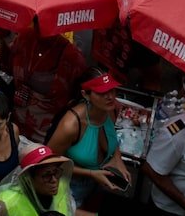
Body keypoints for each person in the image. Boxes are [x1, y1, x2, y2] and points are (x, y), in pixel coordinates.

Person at [46, 70, 130, 213]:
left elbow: (111, 137)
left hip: (98, 182)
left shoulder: (109, 108)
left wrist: (117, 159)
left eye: (111, 89)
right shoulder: (71, 125)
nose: (110, 97)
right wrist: (91, 173)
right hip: (71, 186)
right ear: (86, 95)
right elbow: (48, 163)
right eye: (101, 92)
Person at [0, 145, 75, 216]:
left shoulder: (62, 189)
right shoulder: (5, 203)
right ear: (28, 178)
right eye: (47, 175)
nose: (54, 180)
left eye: (56, 172)